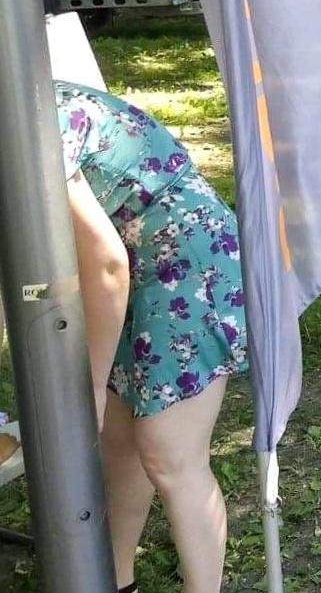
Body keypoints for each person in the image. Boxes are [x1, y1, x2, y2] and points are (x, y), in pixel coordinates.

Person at [57, 81, 249, 593]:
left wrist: (92, 384)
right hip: (137, 259)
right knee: (119, 443)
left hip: (186, 258)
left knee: (171, 453)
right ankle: (115, 582)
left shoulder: (29, 128)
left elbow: (106, 266)